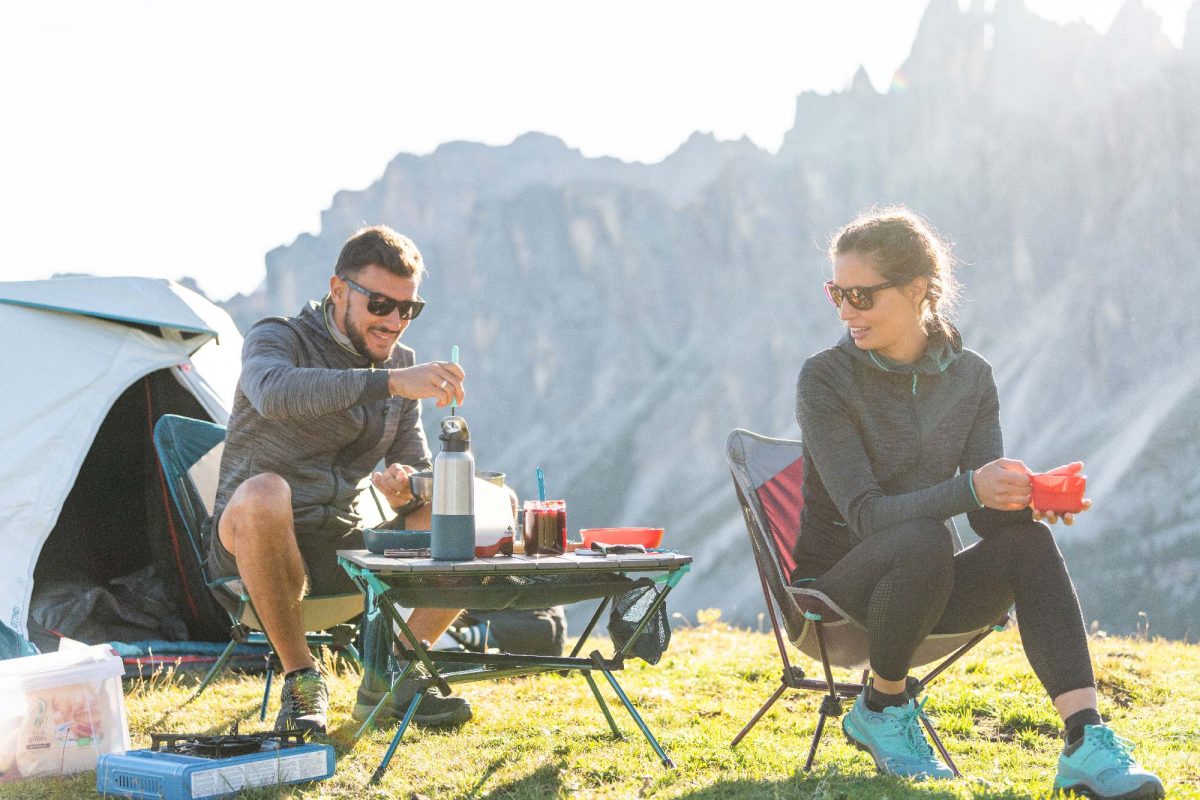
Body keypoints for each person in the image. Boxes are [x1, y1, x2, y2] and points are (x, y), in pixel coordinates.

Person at [792, 208, 1163, 798]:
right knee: (924, 536)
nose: (844, 311)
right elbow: (865, 514)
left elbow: (984, 518)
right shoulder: (824, 378)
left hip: (924, 589)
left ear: (918, 291)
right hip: (835, 594)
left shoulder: (971, 378)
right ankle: (882, 708)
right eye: (836, 292)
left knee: (1027, 542)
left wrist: (1026, 499)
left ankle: (1085, 741)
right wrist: (971, 488)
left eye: (860, 295)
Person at [208, 225, 471, 733]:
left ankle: (392, 672)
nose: (394, 322)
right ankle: (302, 679)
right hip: (250, 550)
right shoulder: (278, 338)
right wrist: (389, 382)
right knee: (267, 491)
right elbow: (273, 393)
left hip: (342, 549)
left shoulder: (399, 366)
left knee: (468, 502)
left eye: (407, 309)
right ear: (338, 291)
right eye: (379, 304)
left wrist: (411, 484)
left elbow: (415, 463)